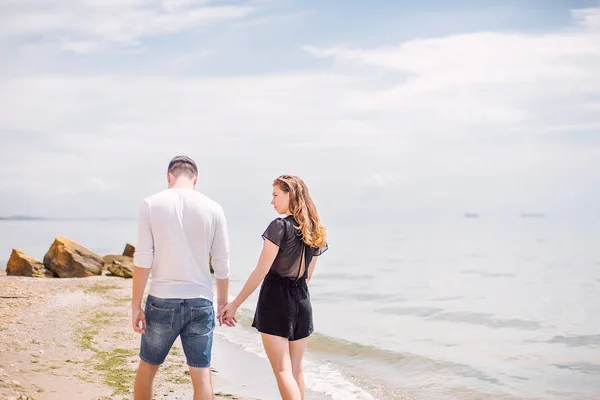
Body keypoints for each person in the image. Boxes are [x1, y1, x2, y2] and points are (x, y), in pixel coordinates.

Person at [131, 155, 233, 400]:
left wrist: (135, 305)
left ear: (169, 177)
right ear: (195, 178)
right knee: (201, 375)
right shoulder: (214, 208)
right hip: (200, 301)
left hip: (161, 300)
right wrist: (222, 303)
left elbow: (143, 259)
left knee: (148, 368)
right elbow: (222, 263)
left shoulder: (151, 204)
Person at [219, 174, 328, 400]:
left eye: (275, 195)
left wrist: (234, 304)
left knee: (282, 370)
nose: (272, 201)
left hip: (276, 300)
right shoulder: (316, 230)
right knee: (296, 369)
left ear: (291, 195)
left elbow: (261, 271)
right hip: (302, 301)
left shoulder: (279, 227)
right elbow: (307, 276)